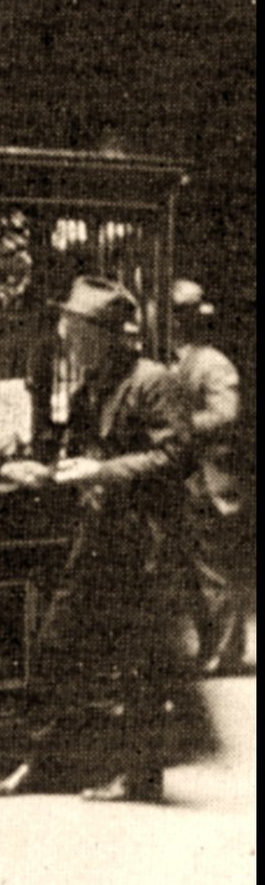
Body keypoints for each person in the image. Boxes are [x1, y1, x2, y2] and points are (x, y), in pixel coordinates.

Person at [0, 276, 189, 802]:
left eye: (75, 334)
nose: (67, 343)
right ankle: (46, 763)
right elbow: (77, 457)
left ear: (105, 335)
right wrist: (41, 472)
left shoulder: (153, 382)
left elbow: (175, 457)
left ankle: (140, 778)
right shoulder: (89, 389)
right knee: (56, 645)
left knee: (139, 661)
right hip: (98, 536)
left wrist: (101, 473)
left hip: (145, 542)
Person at [170, 279, 245, 675]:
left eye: (182, 314)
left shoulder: (213, 363)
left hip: (211, 478)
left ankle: (225, 649)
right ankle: (210, 645)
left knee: (213, 568)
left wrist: (179, 426)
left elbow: (225, 414)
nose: (178, 321)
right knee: (193, 568)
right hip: (188, 479)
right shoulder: (177, 359)